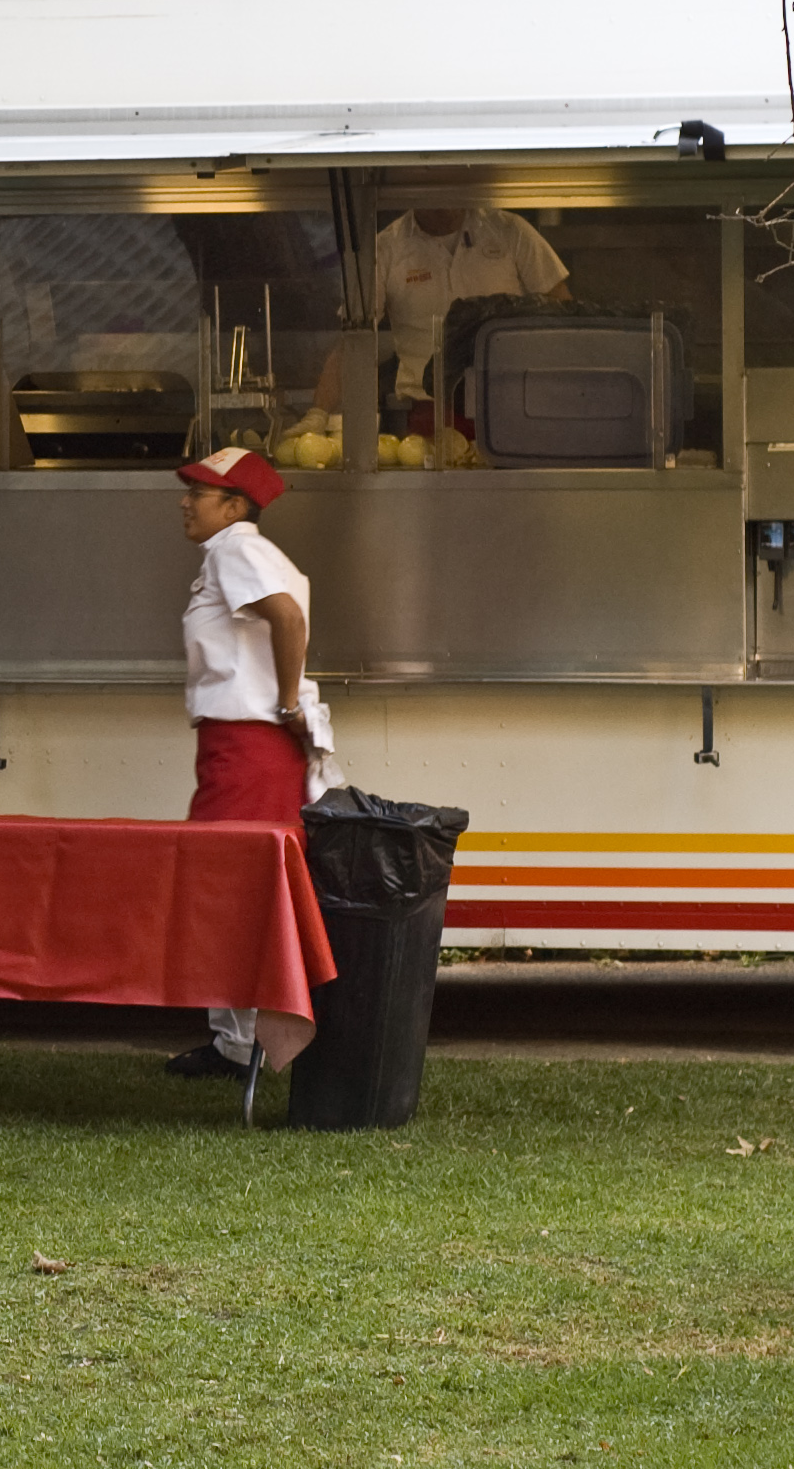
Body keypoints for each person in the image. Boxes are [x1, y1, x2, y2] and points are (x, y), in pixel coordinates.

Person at [163, 446, 324, 1081]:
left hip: (249, 747)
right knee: (235, 891)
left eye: (197, 494)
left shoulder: (236, 548)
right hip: (242, 746)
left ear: (233, 507)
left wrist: (287, 701)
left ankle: (244, 1046)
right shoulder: (235, 552)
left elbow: (285, 616)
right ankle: (239, 1041)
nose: (184, 503)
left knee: (229, 892)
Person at [312, 206, 571, 422]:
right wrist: (318, 413)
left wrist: (566, 397)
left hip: (510, 408)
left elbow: (564, 317)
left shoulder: (511, 231)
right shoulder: (384, 249)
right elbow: (352, 342)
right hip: (423, 415)